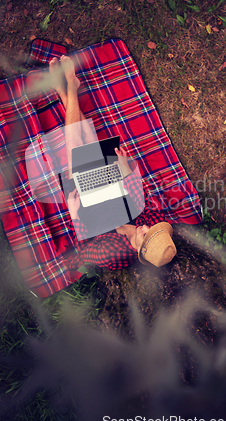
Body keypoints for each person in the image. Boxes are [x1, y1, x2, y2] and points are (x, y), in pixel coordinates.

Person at [48, 55, 177, 270]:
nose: (145, 227)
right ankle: (64, 90)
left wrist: (74, 208)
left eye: (145, 235)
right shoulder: (152, 224)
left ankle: (70, 85)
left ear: (139, 250)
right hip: (112, 190)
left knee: (75, 143)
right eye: (151, 229)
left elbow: (84, 247)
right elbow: (138, 199)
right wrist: (126, 168)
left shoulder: (113, 255)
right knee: (89, 138)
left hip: (84, 205)